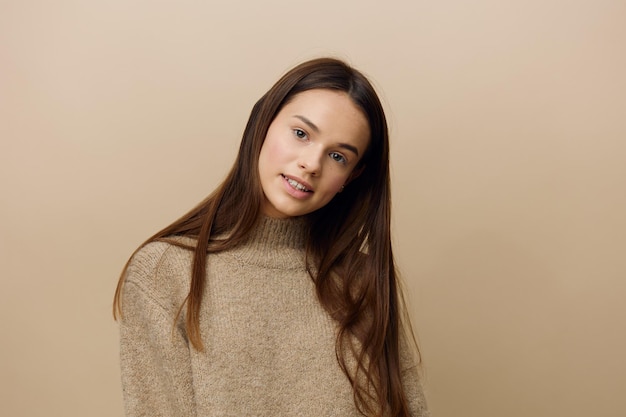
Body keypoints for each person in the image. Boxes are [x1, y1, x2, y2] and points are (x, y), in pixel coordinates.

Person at [113, 57, 430, 417]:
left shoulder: (361, 282)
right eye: (301, 134)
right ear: (262, 123)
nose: (311, 163)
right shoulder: (165, 273)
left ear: (352, 178)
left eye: (338, 156)